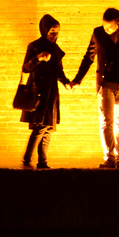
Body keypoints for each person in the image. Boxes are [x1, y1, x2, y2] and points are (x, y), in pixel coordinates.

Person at [70, 7, 119, 169]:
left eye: (109, 27)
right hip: (105, 83)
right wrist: (77, 80)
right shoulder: (98, 33)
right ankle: (109, 157)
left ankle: (118, 157)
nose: (106, 30)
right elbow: (88, 57)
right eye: (104, 26)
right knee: (106, 121)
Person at [20, 14, 72, 169]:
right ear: (44, 31)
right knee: (40, 126)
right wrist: (38, 58)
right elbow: (25, 68)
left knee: (48, 127)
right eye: (51, 32)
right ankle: (27, 159)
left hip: (52, 93)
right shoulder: (34, 46)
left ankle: (43, 162)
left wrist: (65, 82)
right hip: (39, 91)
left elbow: (59, 72)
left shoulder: (56, 50)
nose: (54, 36)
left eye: (57, 32)